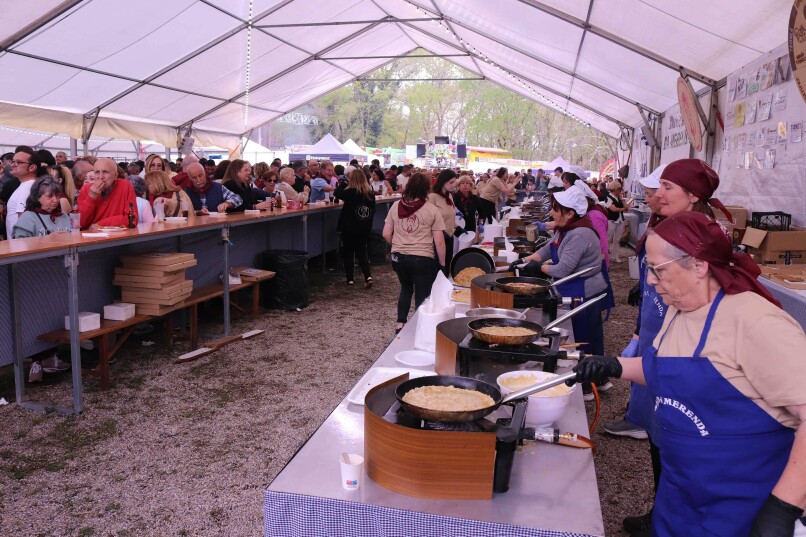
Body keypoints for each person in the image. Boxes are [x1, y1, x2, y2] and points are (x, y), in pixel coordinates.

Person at [571, 211, 806, 537]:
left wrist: (784, 507)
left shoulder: (756, 322)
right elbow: (666, 372)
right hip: (679, 497)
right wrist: (614, 365)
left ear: (699, 266)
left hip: (741, 509)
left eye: (657, 270)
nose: (650, 280)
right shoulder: (680, 310)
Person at [603, 160, 736, 535]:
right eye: (658, 185)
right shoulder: (664, 226)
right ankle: (661, 511)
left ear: (694, 195)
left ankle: (675, 520)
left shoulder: (707, 239)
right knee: (658, 437)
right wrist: (635, 338)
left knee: (680, 442)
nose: (657, 195)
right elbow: (652, 298)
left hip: (682, 352)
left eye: (667, 187)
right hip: (654, 345)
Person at [517, 187, 608, 359]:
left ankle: (591, 379)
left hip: (583, 292)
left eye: (555, 209)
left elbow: (563, 270)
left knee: (584, 338)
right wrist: (526, 259)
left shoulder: (579, 234)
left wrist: (539, 267)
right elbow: (547, 249)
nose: (551, 212)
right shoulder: (564, 229)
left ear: (570, 213)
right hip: (571, 287)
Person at [382, 172, 446, 335]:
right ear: (426, 189)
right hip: (422, 257)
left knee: (405, 288)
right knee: (422, 292)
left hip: (399, 257)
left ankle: (400, 324)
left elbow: (386, 233)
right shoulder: (432, 209)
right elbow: (439, 241)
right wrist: (443, 263)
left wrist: (395, 245)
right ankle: (419, 327)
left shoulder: (396, 206)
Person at [334, 169, 376, 287]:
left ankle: (350, 279)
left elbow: (337, 193)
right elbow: (372, 212)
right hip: (363, 227)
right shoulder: (370, 194)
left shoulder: (351, 192)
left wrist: (343, 183)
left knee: (348, 252)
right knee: (362, 252)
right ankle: (367, 276)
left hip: (349, 227)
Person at [77, 158, 138, 229]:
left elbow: (132, 220)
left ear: (115, 175)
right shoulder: (85, 189)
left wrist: (100, 224)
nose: (100, 177)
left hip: (118, 237)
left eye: (105, 172)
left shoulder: (125, 186)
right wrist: (91, 197)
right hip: (92, 237)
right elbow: (81, 223)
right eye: (97, 172)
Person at [4, 147, 43, 238]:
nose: (13, 165)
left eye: (19, 162)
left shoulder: (27, 187)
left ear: (32, 167)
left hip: (21, 246)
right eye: (13, 161)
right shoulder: (28, 185)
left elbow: (24, 221)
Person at [428, 169, 459, 273]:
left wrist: (458, 228)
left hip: (449, 238)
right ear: (442, 181)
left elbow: (450, 217)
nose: (454, 185)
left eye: (454, 182)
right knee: (437, 270)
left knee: (446, 269)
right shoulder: (432, 197)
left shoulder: (449, 196)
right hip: (437, 240)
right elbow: (429, 221)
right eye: (451, 182)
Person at [602, 180, 631, 263]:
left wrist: (622, 201)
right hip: (611, 220)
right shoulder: (608, 197)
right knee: (608, 239)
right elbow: (613, 209)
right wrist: (622, 209)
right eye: (619, 188)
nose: (620, 190)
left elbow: (627, 208)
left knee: (617, 239)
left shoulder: (619, 198)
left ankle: (615, 256)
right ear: (615, 189)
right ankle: (606, 256)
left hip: (620, 220)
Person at [452, 174, 481, 244]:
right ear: (458, 185)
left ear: (471, 186)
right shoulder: (454, 197)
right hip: (457, 227)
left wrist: (481, 224)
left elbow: (481, 212)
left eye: (467, 183)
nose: (465, 185)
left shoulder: (475, 198)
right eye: (462, 183)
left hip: (471, 227)